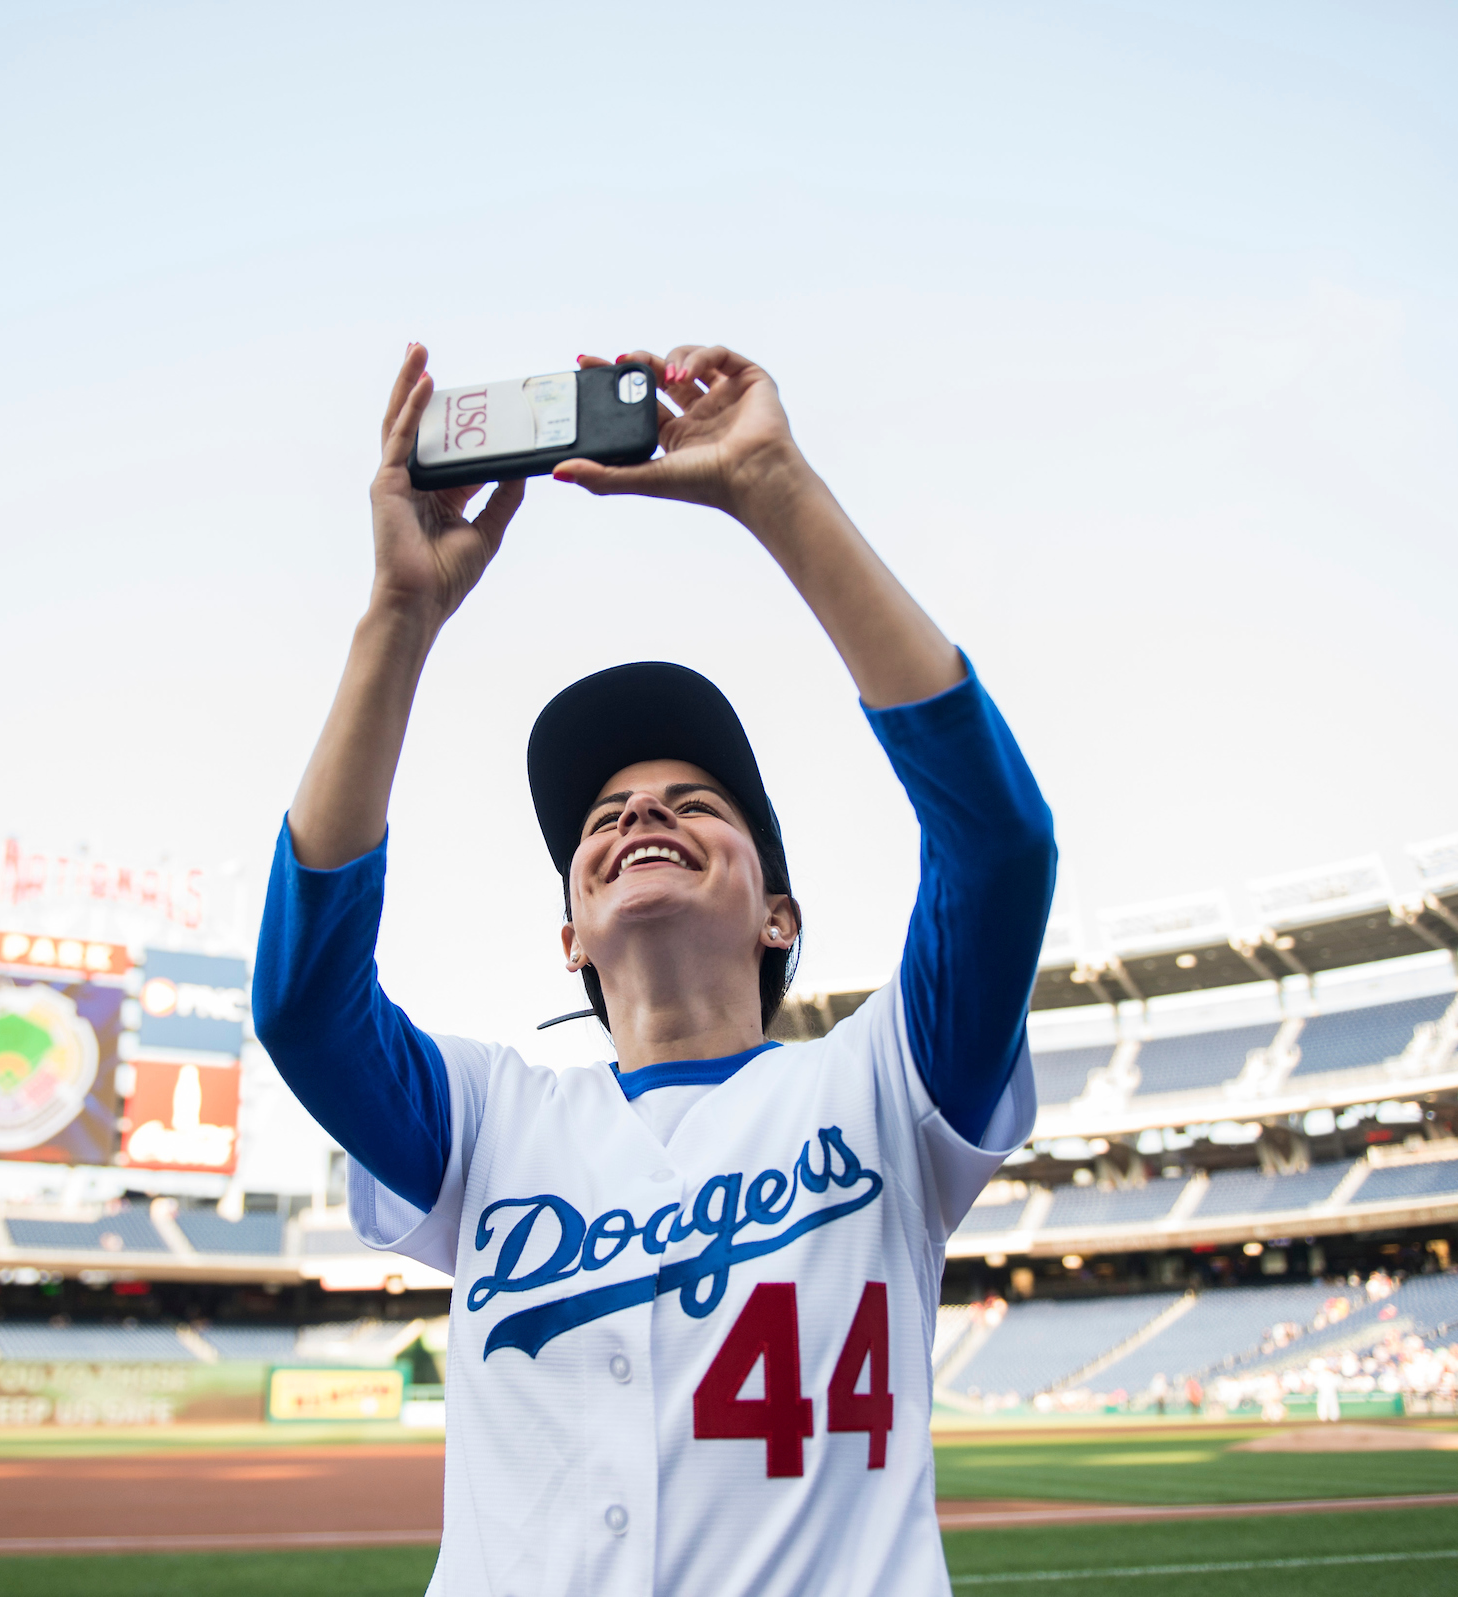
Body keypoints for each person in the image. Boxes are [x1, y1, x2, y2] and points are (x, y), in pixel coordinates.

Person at [254, 343, 1054, 1595]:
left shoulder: (891, 1090)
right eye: (603, 819)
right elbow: (304, 1005)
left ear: (778, 914)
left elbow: (999, 850)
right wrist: (398, 620)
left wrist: (777, 489)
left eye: (695, 803)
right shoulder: (487, 1120)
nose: (638, 816)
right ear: (569, 933)